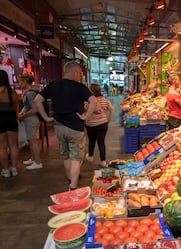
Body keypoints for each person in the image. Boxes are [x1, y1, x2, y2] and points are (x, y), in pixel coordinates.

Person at [34, 61, 97, 190]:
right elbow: (93, 101)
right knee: (75, 158)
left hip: (59, 126)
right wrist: (86, 116)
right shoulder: (80, 87)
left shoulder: (54, 85)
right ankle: (73, 187)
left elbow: (37, 100)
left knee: (66, 155)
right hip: (75, 127)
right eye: (80, 73)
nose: (80, 76)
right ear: (74, 72)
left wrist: (45, 118)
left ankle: (70, 179)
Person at [84, 83, 115, 168]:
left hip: (91, 125)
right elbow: (112, 110)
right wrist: (108, 120)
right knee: (101, 142)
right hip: (102, 124)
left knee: (91, 141)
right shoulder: (105, 100)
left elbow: (84, 110)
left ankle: (90, 156)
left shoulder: (89, 101)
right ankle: (103, 161)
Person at [17, 73, 43, 170]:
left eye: (20, 81)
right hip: (33, 118)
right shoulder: (34, 91)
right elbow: (28, 106)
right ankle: (33, 159)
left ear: (24, 81)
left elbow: (34, 109)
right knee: (32, 140)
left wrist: (23, 115)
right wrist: (22, 112)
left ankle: (37, 162)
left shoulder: (30, 93)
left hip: (31, 119)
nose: (19, 84)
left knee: (32, 141)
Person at [0, 70, 20, 178]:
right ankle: (14, 168)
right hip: (11, 118)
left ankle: (6, 170)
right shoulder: (12, 92)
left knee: (2, 147)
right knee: (13, 146)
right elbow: (16, 106)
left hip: (0, 119)